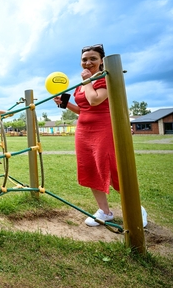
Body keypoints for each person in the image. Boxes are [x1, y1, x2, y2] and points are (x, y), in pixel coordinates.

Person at [53, 44, 147, 227]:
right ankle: (104, 212)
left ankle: (137, 209)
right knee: (90, 168)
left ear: (101, 62)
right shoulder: (82, 84)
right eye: (84, 59)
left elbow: (95, 100)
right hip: (83, 131)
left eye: (93, 59)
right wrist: (64, 105)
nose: (88, 62)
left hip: (104, 129)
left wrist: (88, 81)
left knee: (114, 169)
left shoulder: (106, 78)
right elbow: (84, 110)